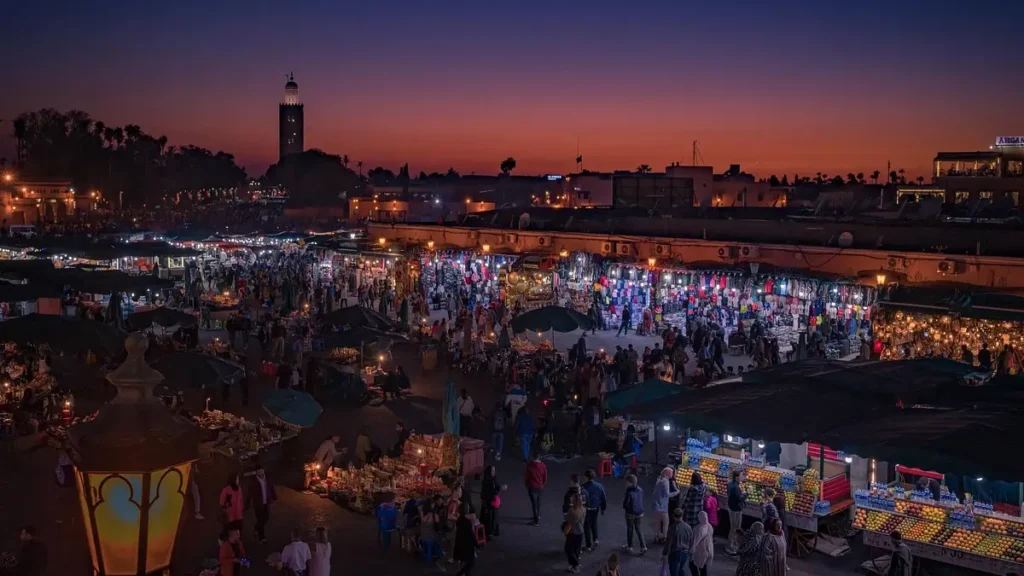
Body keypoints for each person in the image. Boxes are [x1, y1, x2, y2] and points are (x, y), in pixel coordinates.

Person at [247, 465, 277, 544]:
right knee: (261, 519)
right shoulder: (253, 481)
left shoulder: (267, 478)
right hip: (258, 504)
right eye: (258, 471)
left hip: (266, 503)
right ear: (256, 472)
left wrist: (274, 497)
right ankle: (262, 537)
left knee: (266, 518)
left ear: (263, 470)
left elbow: (271, 487)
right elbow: (249, 493)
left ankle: (256, 528)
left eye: (261, 471)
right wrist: (247, 503)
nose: (260, 473)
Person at [581, 469, 607, 551]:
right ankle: (595, 539)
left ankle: (588, 545)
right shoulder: (599, 486)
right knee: (594, 522)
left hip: (587, 509)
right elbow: (603, 498)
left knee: (587, 526)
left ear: (586, 477)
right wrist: (603, 508)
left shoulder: (583, 487)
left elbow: (582, 500)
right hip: (596, 508)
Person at [661, 508, 693, 576]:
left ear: (673, 516)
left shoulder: (672, 528)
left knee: (674, 572)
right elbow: (691, 540)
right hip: (685, 552)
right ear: (682, 515)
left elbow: (668, 542)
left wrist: (665, 553)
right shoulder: (688, 527)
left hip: (675, 552)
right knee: (681, 570)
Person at [652, 466, 679, 544]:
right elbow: (667, 494)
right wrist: (677, 492)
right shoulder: (665, 482)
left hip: (656, 505)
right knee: (665, 522)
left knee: (657, 522)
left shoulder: (659, 479)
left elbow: (654, 492)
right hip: (663, 506)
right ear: (668, 474)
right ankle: (664, 537)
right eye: (671, 473)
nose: (672, 475)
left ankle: (656, 536)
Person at [621, 473, 647, 554]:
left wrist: (627, 509)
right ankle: (643, 546)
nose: (626, 483)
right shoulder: (640, 489)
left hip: (631, 513)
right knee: (638, 529)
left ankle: (629, 546)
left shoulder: (629, 492)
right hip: (640, 513)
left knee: (630, 528)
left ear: (630, 483)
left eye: (627, 482)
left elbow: (625, 504)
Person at [453, 502, 478, 576]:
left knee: (465, 562)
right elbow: (471, 535)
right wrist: (476, 544)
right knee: (470, 562)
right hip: (467, 546)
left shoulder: (459, 520)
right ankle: (461, 573)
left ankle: (461, 573)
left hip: (459, 544)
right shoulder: (467, 522)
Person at [479, 465, 504, 538]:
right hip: (488, 502)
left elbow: (497, 487)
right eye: (492, 471)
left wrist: (500, 488)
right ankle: (488, 533)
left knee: (494, 517)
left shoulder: (494, 479)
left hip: (494, 502)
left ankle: (493, 531)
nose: (493, 472)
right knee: (488, 518)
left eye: (494, 470)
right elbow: (485, 493)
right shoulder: (486, 481)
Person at [726, 470, 747, 554]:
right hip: (736, 510)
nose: (743, 477)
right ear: (737, 477)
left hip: (732, 508)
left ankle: (733, 545)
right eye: (742, 475)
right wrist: (747, 493)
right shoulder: (736, 487)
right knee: (734, 529)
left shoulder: (731, 484)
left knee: (734, 528)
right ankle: (730, 547)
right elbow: (740, 498)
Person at [564, 493, 586, 573]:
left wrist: (566, 532)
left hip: (573, 533)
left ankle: (575, 565)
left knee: (568, 549)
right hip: (580, 532)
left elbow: (569, 525)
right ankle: (574, 565)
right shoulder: (583, 509)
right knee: (576, 550)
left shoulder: (572, 511)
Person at [525, 451, 548, 526]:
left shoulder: (529, 465)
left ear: (532, 457)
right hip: (540, 487)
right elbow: (545, 477)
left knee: (534, 503)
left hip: (531, 487)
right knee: (538, 502)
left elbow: (526, 477)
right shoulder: (543, 465)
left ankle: (536, 521)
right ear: (539, 457)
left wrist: (527, 484)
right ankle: (537, 515)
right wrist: (542, 484)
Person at [689, 511, 714, 576]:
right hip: (709, 550)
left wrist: (691, 551)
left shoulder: (700, 528)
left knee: (693, 564)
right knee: (703, 568)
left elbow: (696, 541)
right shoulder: (710, 526)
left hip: (701, 551)